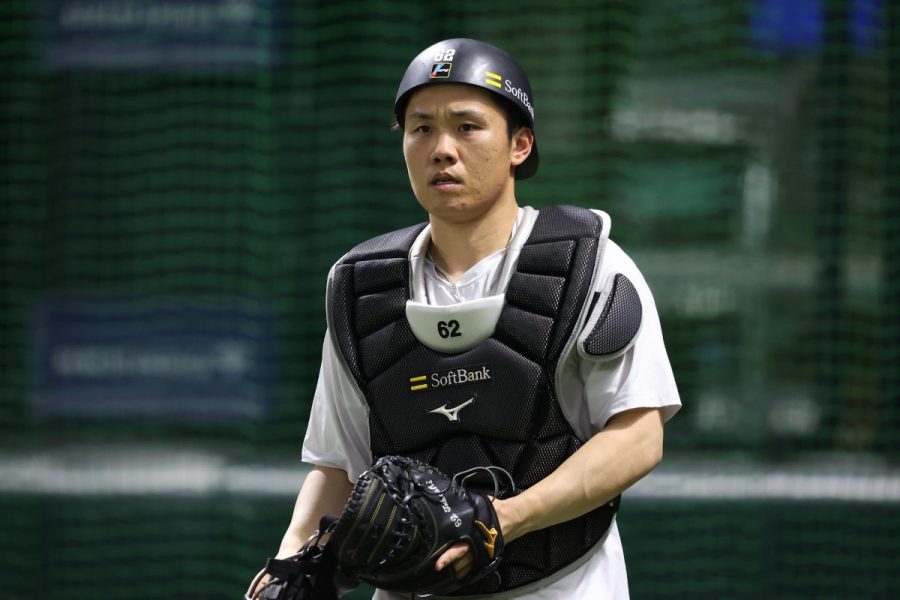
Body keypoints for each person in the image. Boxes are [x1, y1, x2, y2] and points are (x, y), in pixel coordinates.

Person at [254, 38, 680, 599]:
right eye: (421, 128)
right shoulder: (361, 288)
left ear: (520, 144)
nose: (441, 149)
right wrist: (293, 562)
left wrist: (503, 519)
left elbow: (639, 436)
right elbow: (339, 465)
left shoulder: (588, 264)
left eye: (467, 126)